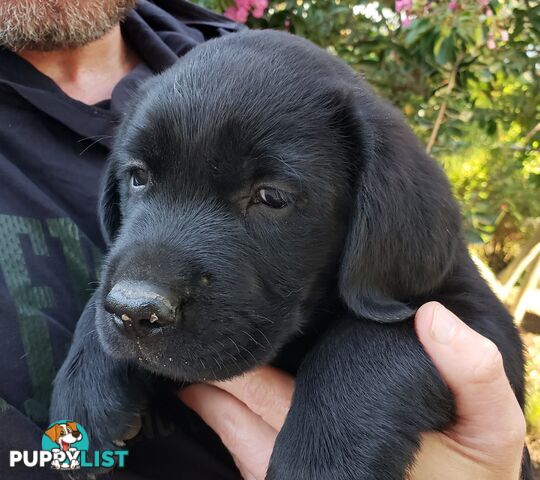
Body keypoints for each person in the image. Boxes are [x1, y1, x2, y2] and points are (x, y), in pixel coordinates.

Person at [0, 1, 526, 479]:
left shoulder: (294, 92)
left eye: (270, 198)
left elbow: (460, 324)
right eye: (140, 178)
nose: (138, 297)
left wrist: (346, 415)